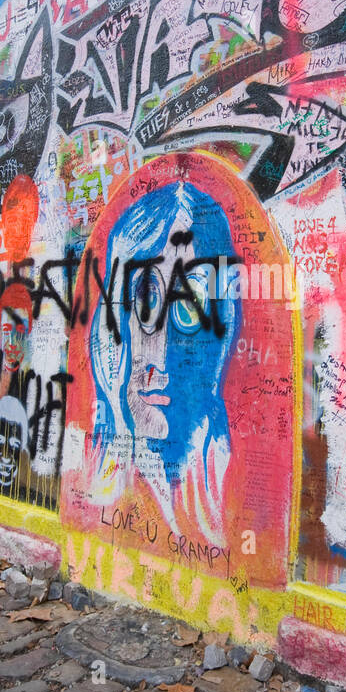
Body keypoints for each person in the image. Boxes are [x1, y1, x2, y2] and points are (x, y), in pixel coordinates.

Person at [88, 182, 241, 549]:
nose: (162, 350)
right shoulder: (99, 482)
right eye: (143, 297)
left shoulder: (227, 487)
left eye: (190, 302)